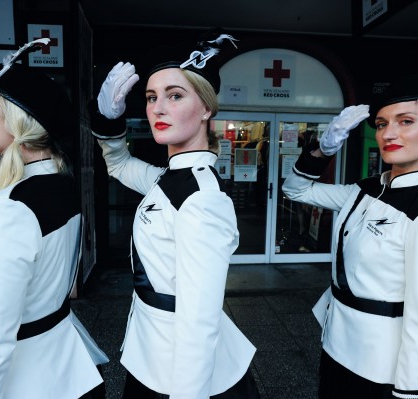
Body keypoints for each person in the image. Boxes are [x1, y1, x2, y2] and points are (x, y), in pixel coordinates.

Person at [282, 57, 418, 397]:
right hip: (335, 342)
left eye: (406, 121)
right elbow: (296, 189)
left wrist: (416, 390)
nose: (389, 133)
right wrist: (323, 150)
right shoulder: (365, 190)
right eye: (382, 124)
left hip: (379, 364)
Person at [91, 33, 260, 398]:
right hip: (151, 350)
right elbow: (118, 164)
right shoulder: (169, 179)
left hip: (180, 370)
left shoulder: (200, 197)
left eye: (175, 95)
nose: (157, 108)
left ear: (206, 109)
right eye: (152, 97)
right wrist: (108, 121)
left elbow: (199, 322)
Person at [0, 39, 108, 399]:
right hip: (70, 365)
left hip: (30, 381)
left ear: (17, 119)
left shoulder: (10, 210)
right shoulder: (62, 185)